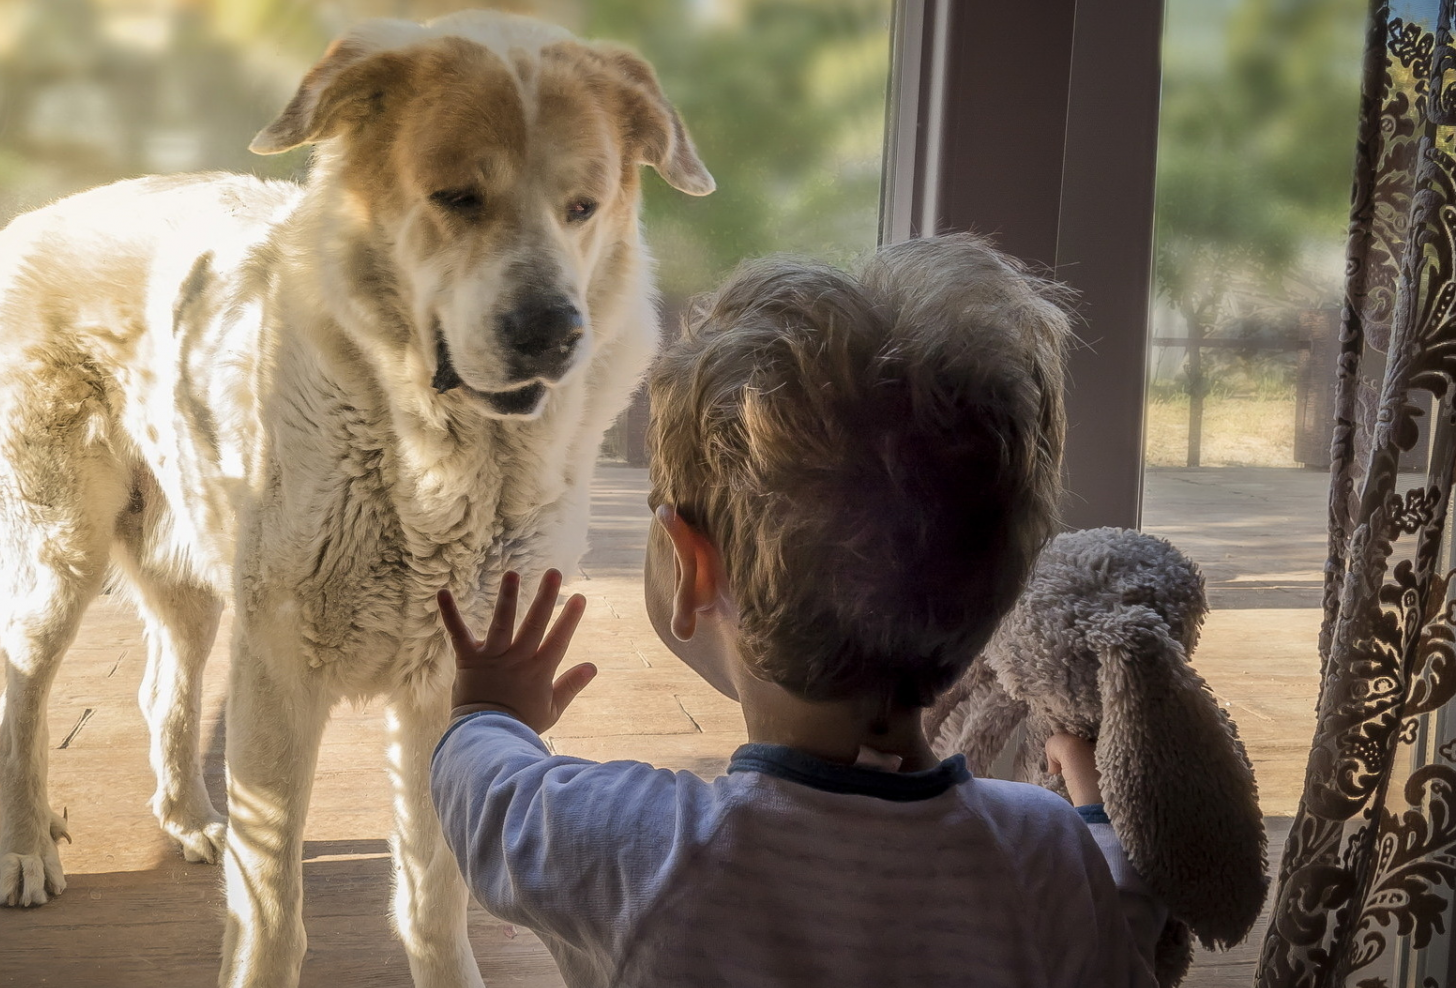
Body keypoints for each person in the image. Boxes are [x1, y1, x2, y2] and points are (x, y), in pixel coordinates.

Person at [430, 236, 1163, 987]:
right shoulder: (1042, 855)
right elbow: (1111, 938)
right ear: (999, 591)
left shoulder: (634, 848)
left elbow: (487, 801)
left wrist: (489, 712)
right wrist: (1097, 823)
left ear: (694, 569)